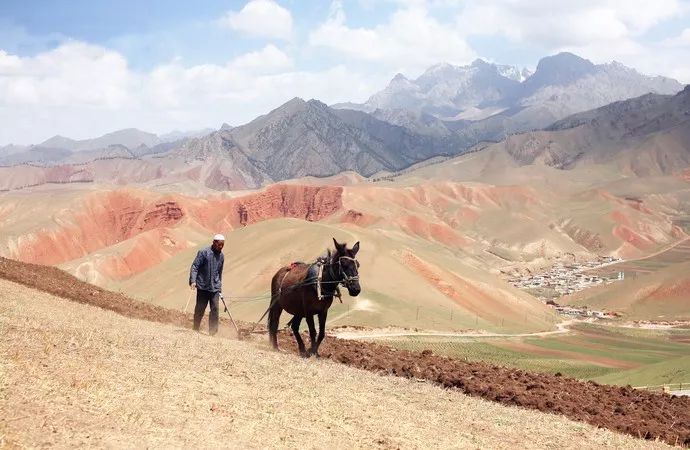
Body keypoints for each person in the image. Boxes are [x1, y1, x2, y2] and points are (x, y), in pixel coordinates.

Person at [189, 234, 225, 335]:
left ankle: (212, 332)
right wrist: (193, 280)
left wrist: (220, 288)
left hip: (215, 288)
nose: (221, 247)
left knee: (215, 309)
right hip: (203, 286)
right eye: (219, 245)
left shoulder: (221, 256)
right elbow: (195, 266)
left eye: (223, 245)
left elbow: (220, 272)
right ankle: (195, 328)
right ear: (214, 242)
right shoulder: (203, 252)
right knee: (200, 308)